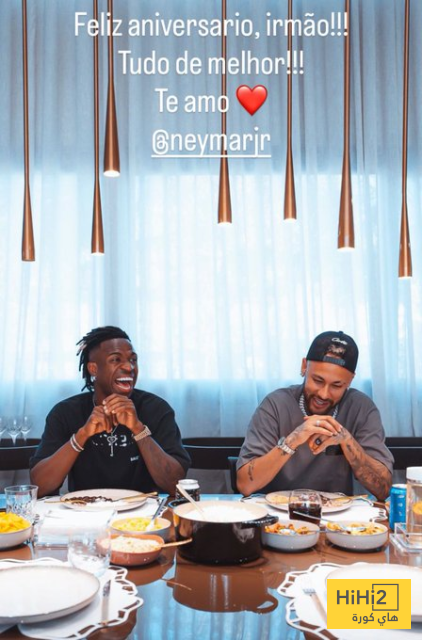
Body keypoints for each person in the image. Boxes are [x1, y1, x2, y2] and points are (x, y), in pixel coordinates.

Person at [30, 326, 190, 497]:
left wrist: (139, 429)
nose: (129, 367)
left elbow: (175, 485)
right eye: (115, 359)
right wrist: (82, 435)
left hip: (145, 510)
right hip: (83, 509)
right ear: (93, 369)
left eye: (133, 359)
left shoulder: (157, 409)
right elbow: (40, 486)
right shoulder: (65, 413)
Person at [236, 331, 393, 500]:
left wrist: (347, 441)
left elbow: (383, 489)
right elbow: (245, 485)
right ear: (304, 366)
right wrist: (293, 440)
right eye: (318, 380)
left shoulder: (361, 408)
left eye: (337, 386)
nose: (324, 394)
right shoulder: (275, 404)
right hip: (278, 511)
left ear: (350, 380)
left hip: (338, 513)